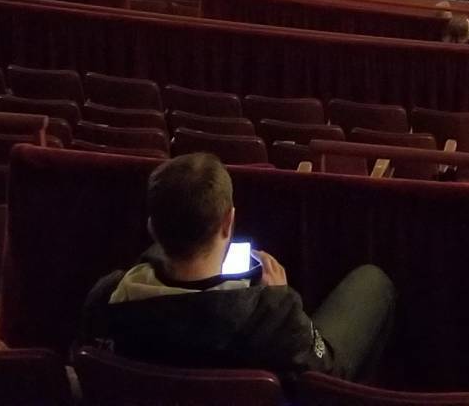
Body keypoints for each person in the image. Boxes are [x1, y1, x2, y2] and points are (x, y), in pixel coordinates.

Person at [80, 152, 394, 380]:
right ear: (228, 222)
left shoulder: (108, 297)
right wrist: (284, 302)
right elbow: (325, 371)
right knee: (372, 281)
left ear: (152, 227)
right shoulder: (272, 316)